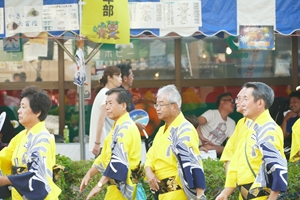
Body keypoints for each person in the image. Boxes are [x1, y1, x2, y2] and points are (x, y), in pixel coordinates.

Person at [216, 82, 287, 200]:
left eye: (246, 99)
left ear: (260, 102)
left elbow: (277, 169)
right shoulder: (250, 127)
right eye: (240, 98)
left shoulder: (269, 129)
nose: (241, 103)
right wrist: (225, 192)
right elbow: (236, 162)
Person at [145, 84, 206, 200]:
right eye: (156, 104)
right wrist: (149, 172)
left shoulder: (184, 128)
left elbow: (194, 162)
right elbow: (150, 156)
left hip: (178, 193)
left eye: (161, 104)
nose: (157, 108)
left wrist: (200, 195)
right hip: (161, 193)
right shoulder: (161, 130)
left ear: (174, 106)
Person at [0, 85, 61, 199]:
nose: (19, 111)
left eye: (23, 107)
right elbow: (3, 157)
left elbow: (37, 175)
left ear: (37, 111)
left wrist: (5, 180)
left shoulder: (43, 138)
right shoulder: (21, 136)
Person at [80, 88, 142, 200]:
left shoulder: (125, 128)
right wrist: (89, 174)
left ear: (123, 105)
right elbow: (104, 157)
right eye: (106, 103)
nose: (107, 107)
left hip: (122, 189)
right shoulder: (118, 127)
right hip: (115, 188)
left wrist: (99, 185)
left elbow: (117, 160)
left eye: (110, 103)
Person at [89, 66, 122, 156]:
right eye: (118, 76)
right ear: (109, 78)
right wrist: (97, 143)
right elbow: (101, 119)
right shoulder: (106, 94)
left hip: (104, 143)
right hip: (104, 143)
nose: (120, 79)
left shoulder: (105, 92)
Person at [219, 87, 249, 173]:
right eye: (237, 99)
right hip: (239, 181)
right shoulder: (240, 123)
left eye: (242, 99)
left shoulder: (269, 127)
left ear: (259, 102)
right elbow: (229, 154)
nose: (236, 102)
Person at [280, 91, 300, 159]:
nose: (291, 105)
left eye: (294, 102)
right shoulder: (292, 119)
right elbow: (282, 137)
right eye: (290, 103)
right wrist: (285, 120)